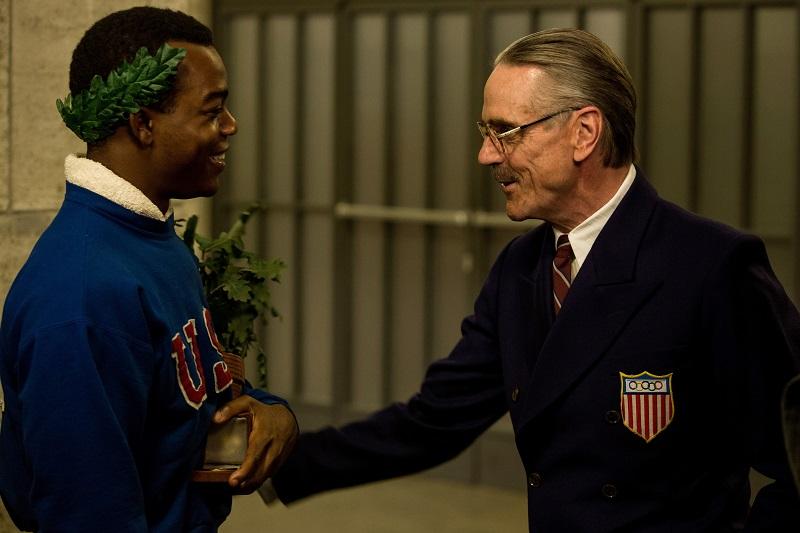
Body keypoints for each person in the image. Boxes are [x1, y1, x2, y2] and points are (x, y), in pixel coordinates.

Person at [265, 29, 800, 531]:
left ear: (584, 132)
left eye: (504, 132)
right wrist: (275, 458)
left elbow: (795, 463)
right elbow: (433, 421)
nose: (485, 154)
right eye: (485, 132)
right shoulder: (521, 269)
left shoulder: (711, 266)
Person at [0, 7, 297, 532]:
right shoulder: (81, 299)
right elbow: (89, 516)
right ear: (143, 124)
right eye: (212, 111)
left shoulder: (148, 233)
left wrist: (268, 409)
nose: (231, 126)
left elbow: (184, 394)